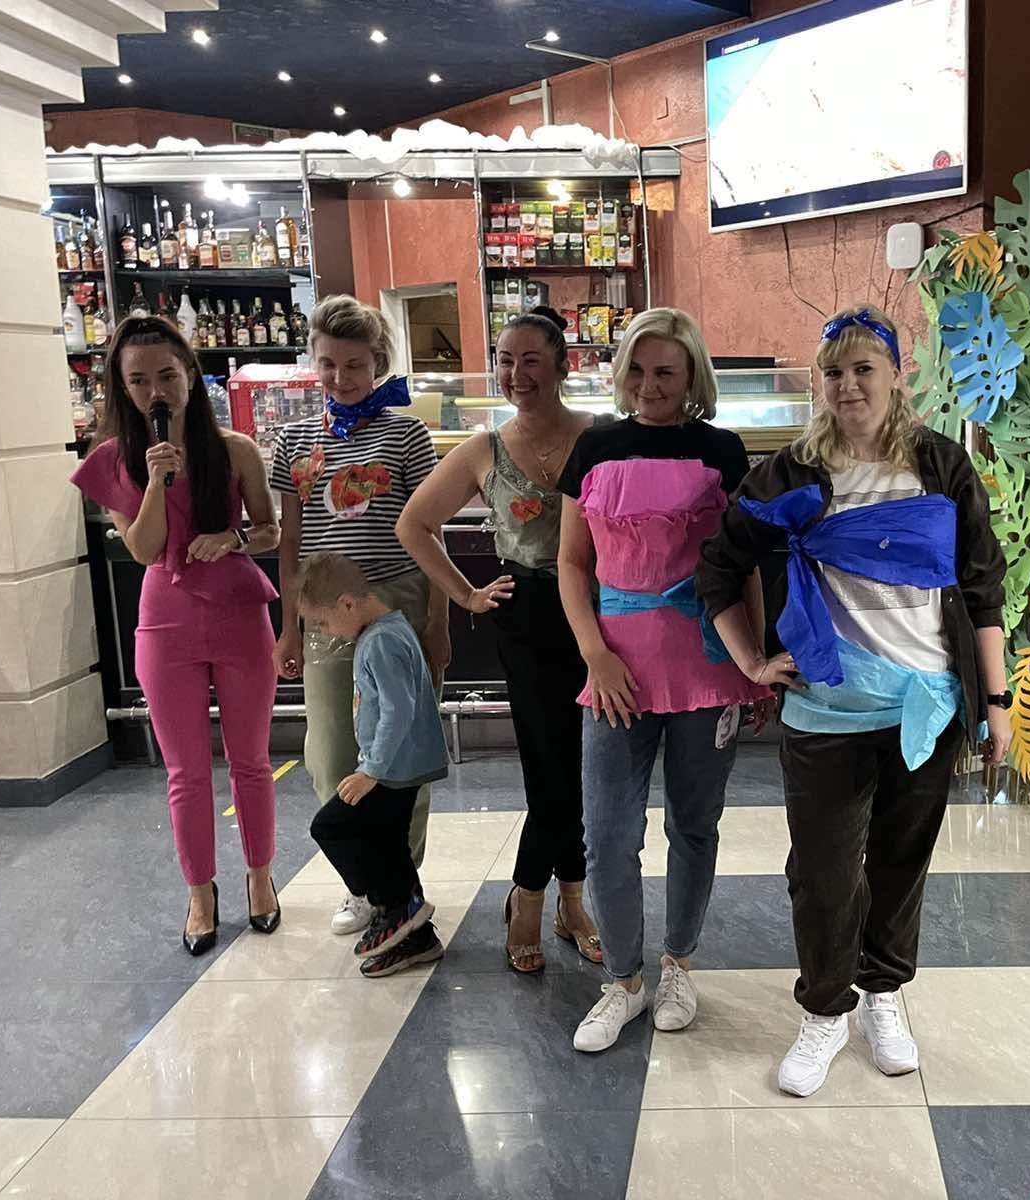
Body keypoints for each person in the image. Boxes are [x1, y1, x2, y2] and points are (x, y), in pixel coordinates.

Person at [696, 304, 1010, 1097]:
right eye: (833, 372)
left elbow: (982, 587)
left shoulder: (940, 465)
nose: (848, 385)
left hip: (925, 707)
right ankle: (824, 1010)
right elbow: (718, 568)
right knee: (824, 874)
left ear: (896, 376)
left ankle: (883, 994)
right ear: (818, 382)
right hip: (826, 711)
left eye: (864, 369)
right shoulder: (791, 474)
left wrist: (997, 700)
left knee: (901, 863)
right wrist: (752, 660)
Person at [556, 307, 770, 1053]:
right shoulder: (594, 448)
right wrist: (595, 654)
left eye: (666, 373)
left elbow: (743, 568)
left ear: (692, 378)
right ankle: (623, 980)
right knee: (608, 835)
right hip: (615, 671)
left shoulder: (723, 452)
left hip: (708, 665)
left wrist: (755, 663)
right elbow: (571, 563)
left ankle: (679, 962)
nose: (650, 386)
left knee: (694, 824)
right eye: (639, 371)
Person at [397, 307, 604, 974]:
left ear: (563, 366)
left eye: (531, 360)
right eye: (506, 361)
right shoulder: (483, 449)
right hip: (527, 616)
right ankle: (533, 900)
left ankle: (569, 901)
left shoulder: (599, 435)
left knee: (583, 768)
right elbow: (414, 524)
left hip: (599, 613)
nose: (517, 374)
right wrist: (465, 595)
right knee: (550, 770)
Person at [69, 316, 282, 955]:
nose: (155, 391)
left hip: (239, 613)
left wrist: (234, 538)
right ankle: (199, 892)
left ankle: (261, 877)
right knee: (186, 770)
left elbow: (270, 530)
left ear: (190, 373)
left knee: (251, 760)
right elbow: (143, 549)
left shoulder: (236, 449)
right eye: (138, 381)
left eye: (166, 375)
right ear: (122, 388)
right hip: (166, 622)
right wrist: (158, 482)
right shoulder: (114, 460)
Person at [269, 295, 448, 935]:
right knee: (330, 750)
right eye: (328, 364)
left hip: (398, 598)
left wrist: (438, 622)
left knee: (400, 749)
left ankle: (402, 881)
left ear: (378, 363)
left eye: (355, 364)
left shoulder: (407, 434)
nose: (341, 377)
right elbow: (290, 540)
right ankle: (362, 880)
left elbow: (430, 531)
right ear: (313, 362)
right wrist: (288, 626)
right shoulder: (293, 439)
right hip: (323, 609)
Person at [298, 553, 448, 977]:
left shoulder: (381, 641)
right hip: (396, 768)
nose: (328, 633)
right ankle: (416, 933)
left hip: (393, 771)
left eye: (324, 623)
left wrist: (371, 771)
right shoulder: (387, 631)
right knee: (389, 841)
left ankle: (395, 906)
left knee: (331, 826)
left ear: (347, 604)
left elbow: (398, 710)